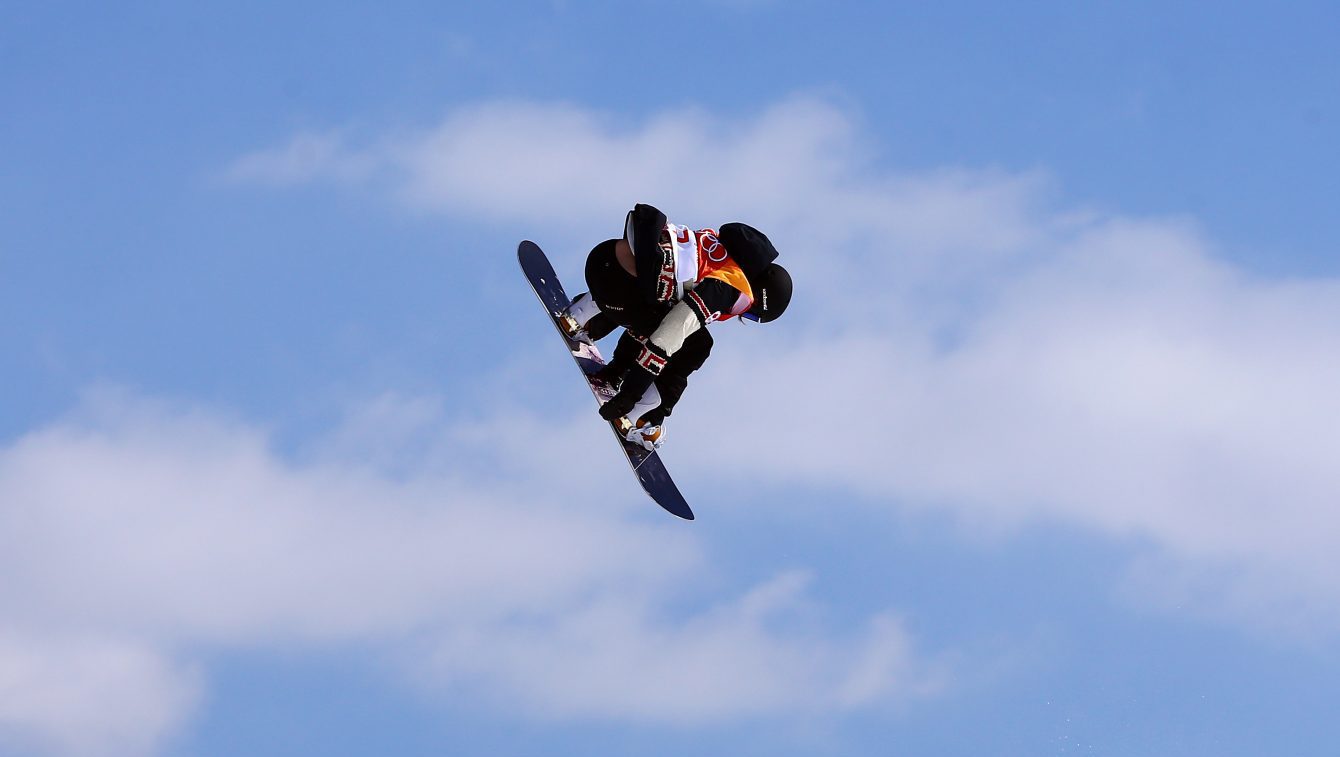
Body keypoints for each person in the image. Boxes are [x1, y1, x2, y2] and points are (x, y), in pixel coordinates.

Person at [559, 203, 793, 450]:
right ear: (757, 297)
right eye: (752, 314)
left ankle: (581, 318)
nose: (742, 315)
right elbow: (670, 333)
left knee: (662, 296)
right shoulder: (730, 286)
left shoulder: (715, 246)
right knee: (697, 344)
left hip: (602, 260)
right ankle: (640, 417)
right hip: (617, 291)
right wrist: (630, 394)